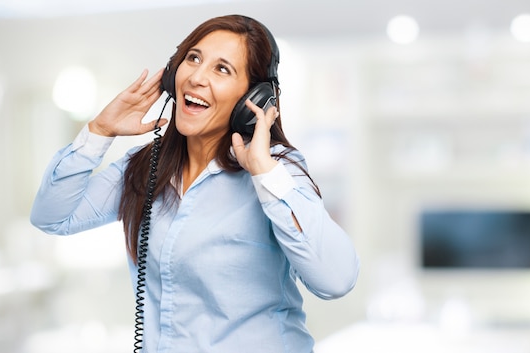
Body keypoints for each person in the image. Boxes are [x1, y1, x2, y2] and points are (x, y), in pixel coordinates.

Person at [30, 14, 359, 353]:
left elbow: (336, 280)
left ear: (255, 98)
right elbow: (52, 216)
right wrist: (99, 132)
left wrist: (265, 173)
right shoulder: (145, 166)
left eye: (222, 69)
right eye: (193, 58)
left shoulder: (276, 171)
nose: (198, 77)